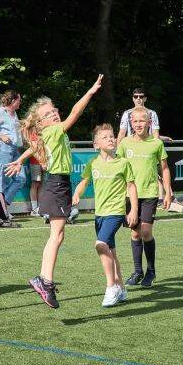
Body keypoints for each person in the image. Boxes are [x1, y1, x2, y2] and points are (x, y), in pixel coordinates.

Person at [5, 75, 104, 309]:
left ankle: (44, 280)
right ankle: (44, 281)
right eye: (47, 115)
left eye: (53, 112)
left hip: (58, 184)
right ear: (41, 123)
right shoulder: (53, 131)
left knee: (58, 235)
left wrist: (19, 159)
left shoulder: (48, 134)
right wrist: (90, 92)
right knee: (57, 235)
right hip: (56, 184)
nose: (54, 115)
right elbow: (75, 114)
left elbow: (33, 147)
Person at [72, 123, 138, 307]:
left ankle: (111, 288)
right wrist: (77, 193)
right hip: (99, 215)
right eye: (105, 137)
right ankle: (121, 288)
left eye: (112, 136)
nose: (111, 139)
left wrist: (133, 210)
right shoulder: (93, 163)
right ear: (96, 144)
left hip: (115, 213)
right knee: (112, 253)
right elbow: (84, 182)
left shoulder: (123, 163)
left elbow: (131, 187)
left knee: (100, 245)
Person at [117, 106, 173, 288]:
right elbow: (119, 168)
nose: (138, 124)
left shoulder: (156, 143)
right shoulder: (124, 143)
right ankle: (137, 271)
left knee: (146, 231)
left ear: (149, 122)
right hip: (129, 195)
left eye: (142, 121)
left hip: (149, 193)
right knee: (134, 233)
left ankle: (151, 271)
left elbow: (164, 168)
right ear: (130, 123)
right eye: (135, 121)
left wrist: (167, 191)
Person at [0, 90, 26, 206]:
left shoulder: (14, 114)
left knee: (21, 178)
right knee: (4, 181)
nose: (20, 102)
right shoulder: (0, 112)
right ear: (13, 101)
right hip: (3, 148)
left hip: (14, 150)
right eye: (19, 100)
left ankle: (2, 205)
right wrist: (1, 135)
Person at [27, 129, 43, 217]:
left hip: (45, 161)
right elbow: (33, 148)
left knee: (41, 184)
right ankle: (34, 209)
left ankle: (40, 207)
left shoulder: (45, 131)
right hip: (35, 161)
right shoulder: (33, 132)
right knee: (35, 183)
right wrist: (40, 160)